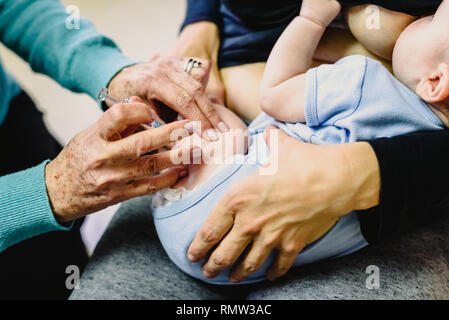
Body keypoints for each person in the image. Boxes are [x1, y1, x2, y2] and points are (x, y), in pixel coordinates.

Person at [153, 0, 449, 284]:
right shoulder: (429, 162)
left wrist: (310, 20)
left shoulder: (364, 82)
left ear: (434, 81)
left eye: (431, 18)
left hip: (212, 207)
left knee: (223, 125)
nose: (423, 16)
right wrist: (198, 25)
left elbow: (273, 95)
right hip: (265, 258)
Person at [0, 0, 225, 299]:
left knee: (61, 268)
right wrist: (43, 194)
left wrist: (110, 71)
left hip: (10, 123)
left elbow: (14, 6)